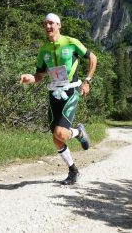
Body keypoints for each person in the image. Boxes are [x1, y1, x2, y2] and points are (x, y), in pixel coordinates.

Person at [20, 13, 97, 185]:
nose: (47, 27)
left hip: (70, 91)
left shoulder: (71, 42)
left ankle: (78, 132)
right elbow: (39, 75)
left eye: (51, 23)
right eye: (45, 24)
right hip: (53, 93)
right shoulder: (44, 50)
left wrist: (87, 81)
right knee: (56, 138)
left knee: (60, 133)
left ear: (59, 25)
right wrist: (29, 78)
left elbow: (93, 58)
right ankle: (73, 172)